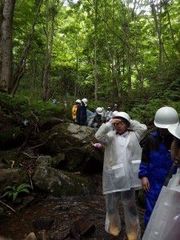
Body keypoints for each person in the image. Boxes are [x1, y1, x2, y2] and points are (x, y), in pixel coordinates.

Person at [95, 111, 147, 240]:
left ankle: (133, 234)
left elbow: (143, 128)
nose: (118, 125)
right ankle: (114, 230)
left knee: (130, 207)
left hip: (129, 179)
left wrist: (126, 118)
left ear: (127, 124)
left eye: (121, 123)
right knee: (111, 206)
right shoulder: (110, 137)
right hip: (113, 178)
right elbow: (98, 135)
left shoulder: (135, 135)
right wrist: (109, 123)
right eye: (116, 123)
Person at [138, 106, 179, 227]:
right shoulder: (151, 138)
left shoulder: (177, 141)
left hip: (172, 183)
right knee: (151, 210)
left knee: (168, 214)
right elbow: (144, 159)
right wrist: (143, 175)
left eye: (166, 128)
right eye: (161, 128)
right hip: (152, 181)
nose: (163, 130)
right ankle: (149, 230)